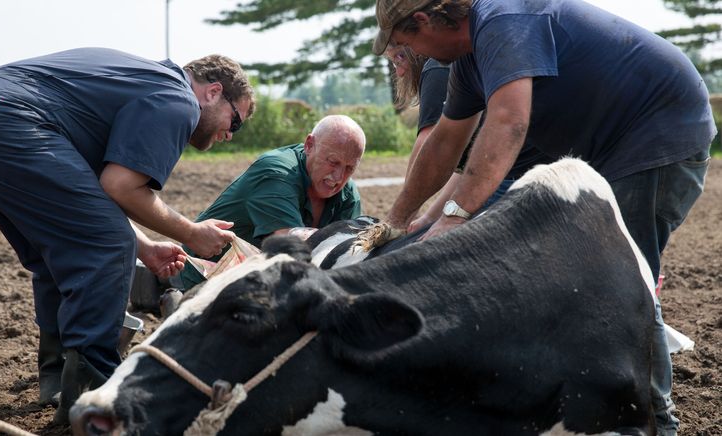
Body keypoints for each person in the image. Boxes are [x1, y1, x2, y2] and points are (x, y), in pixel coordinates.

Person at [372, 1, 716, 435]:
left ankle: (653, 419)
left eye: (406, 43)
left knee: (616, 281)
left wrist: (456, 217)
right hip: (610, 148)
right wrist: (401, 219)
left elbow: (509, 121)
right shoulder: (469, 61)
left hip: (658, 133)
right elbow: (445, 143)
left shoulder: (501, 18)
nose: (412, 56)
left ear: (422, 20)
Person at [0, 47, 255, 424]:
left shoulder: (139, 83)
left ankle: (57, 377)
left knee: (59, 247)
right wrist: (191, 233)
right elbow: (122, 187)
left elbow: (93, 195)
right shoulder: (177, 100)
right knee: (107, 246)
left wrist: (147, 246)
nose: (229, 136)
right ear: (213, 91)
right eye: (235, 122)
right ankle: (94, 394)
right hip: (5, 115)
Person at [179, 114, 366, 290]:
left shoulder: (348, 195)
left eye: (349, 168)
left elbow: (347, 257)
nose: (339, 176)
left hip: (266, 281)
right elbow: (290, 241)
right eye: (333, 162)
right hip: (203, 276)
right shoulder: (276, 172)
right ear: (309, 145)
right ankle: (165, 287)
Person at [383, 45, 549, 230]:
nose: (399, 71)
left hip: (510, 173)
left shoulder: (437, 69)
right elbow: (468, 164)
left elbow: (431, 146)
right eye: (392, 62)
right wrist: (430, 217)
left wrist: (404, 215)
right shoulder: (463, 62)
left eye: (399, 58)